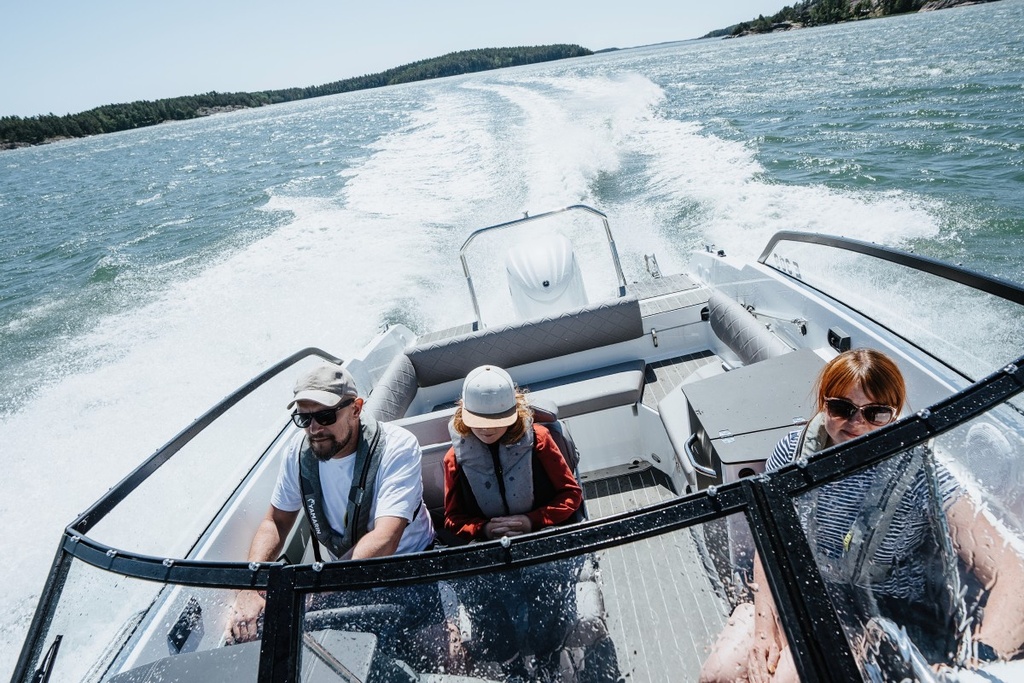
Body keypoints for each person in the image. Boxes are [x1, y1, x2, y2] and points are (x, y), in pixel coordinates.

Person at [700, 348, 1024, 682]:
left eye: (876, 413)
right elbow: (770, 545)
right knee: (719, 673)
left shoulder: (922, 474)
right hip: (805, 591)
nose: (857, 423)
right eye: (843, 408)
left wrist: (979, 661)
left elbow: (1013, 572)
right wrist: (764, 632)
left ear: (894, 415)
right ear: (824, 404)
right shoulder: (791, 455)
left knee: (786, 677)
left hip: (878, 612)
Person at [226, 362, 436, 646]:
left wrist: (320, 587)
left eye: (325, 416)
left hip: (410, 571)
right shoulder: (297, 454)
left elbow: (385, 538)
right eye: (304, 418)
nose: (314, 429)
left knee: (444, 655)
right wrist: (250, 587)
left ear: (356, 409)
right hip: (339, 579)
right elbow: (276, 522)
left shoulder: (397, 447)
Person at [443, 365, 585, 679]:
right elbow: (452, 519)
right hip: (491, 553)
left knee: (548, 593)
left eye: (495, 422)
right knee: (481, 600)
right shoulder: (454, 459)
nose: (486, 430)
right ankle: (511, 665)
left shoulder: (541, 440)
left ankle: (548, 658)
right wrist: (483, 529)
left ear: (514, 413)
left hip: (539, 543)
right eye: (479, 422)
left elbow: (571, 494)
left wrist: (533, 521)